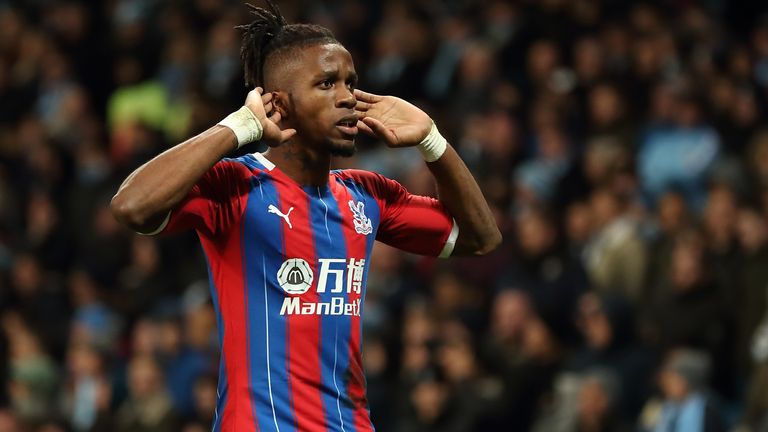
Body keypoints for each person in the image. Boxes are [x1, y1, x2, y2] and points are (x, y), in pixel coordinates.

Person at [109, 1, 501, 431]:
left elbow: (480, 237)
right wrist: (236, 128)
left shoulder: (367, 196)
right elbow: (132, 206)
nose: (348, 97)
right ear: (279, 103)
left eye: (350, 82)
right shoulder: (235, 187)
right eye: (326, 83)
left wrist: (432, 140)